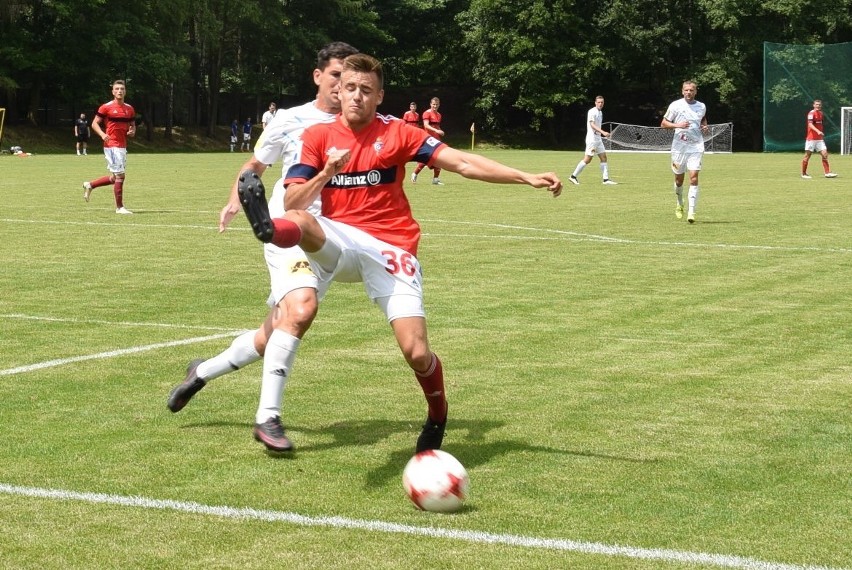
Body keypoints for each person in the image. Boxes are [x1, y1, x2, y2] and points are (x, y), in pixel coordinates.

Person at [236, 53, 562, 453]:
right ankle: (268, 231)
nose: (355, 96)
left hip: (391, 245)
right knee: (299, 220)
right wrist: (327, 173)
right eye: (349, 87)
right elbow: (293, 198)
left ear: (379, 97)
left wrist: (525, 176)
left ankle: (438, 412)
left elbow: (461, 162)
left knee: (416, 351)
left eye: (365, 90)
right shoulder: (317, 138)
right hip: (339, 238)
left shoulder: (398, 133)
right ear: (338, 89)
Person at [166, 42, 360, 453]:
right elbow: (256, 165)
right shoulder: (291, 120)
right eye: (336, 75)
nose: (343, 85)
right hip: (285, 230)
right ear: (318, 76)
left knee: (274, 330)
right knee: (303, 308)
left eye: (350, 77)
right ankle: (267, 419)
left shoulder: (358, 124)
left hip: (329, 239)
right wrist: (235, 200)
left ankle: (200, 371)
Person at [82, 79, 136, 214]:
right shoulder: (106, 107)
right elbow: (94, 123)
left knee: (114, 177)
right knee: (120, 176)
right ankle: (119, 208)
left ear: (125, 91)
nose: (119, 91)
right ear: (113, 91)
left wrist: (132, 131)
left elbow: (132, 125)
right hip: (111, 145)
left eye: (122, 89)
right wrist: (102, 134)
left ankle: (90, 185)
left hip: (122, 146)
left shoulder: (129, 109)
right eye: (117, 89)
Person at [661, 80, 709, 224]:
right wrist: (678, 125)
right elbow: (663, 124)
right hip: (679, 147)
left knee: (693, 177)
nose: (689, 92)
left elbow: (703, 119)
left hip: (696, 146)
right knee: (679, 180)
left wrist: (704, 127)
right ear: (682, 91)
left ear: (696, 91)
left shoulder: (701, 106)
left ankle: (691, 212)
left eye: (691, 90)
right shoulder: (675, 105)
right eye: (686, 90)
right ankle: (679, 202)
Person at [568, 96, 617, 185]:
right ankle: (573, 176)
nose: (600, 104)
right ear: (595, 102)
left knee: (604, 157)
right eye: (598, 102)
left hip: (598, 139)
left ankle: (606, 180)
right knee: (587, 159)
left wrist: (601, 134)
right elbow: (592, 125)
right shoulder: (592, 111)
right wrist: (603, 132)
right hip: (592, 140)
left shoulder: (600, 112)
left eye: (602, 102)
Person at [410, 96, 444, 185]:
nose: (435, 106)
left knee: (439, 158)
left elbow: (436, 126)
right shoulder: (426, 113)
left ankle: (435, 179)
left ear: (439, 105)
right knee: (427, 159)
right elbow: (426, 125)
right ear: (430, 104)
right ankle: (415, 173)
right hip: (429, 139)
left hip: (436, 139)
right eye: (433, 104)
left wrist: (440, 131)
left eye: (436, 104)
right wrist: (436, 130)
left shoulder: (439, 115)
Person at [801, 99, 838, 179]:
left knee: (825, 154)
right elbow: (810, 124)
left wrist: (820, 133)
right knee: (807, 156)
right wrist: (818, 131)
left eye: (819, 105)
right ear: (813, 105)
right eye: (817, 104)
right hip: (811, 139)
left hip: (819, 139)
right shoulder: (811, 113)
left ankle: (827, 173)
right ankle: (804, 174)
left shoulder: (821, 114)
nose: (818, 106)